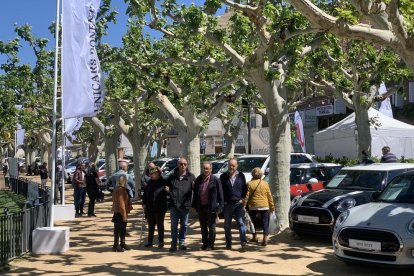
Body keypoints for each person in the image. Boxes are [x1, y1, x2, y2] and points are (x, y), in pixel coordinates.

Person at [192, 161, 223, 250]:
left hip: (212, 207)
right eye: (204, 168)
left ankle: (211, 245)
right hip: (201, 207)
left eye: (207, 168)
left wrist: (220, 207)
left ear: (211, 169)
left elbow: (220, 195)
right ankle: (205, 243)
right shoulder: (198, 179)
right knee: (203, 227)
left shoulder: (216, 180)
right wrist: (194, 205)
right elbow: (196, 194)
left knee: (212, 227)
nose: (205, 170)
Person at [165, 157, 195, 252]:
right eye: (181, 164)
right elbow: (166, 188)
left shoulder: (191, 177)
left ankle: (182, 242)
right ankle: (174, 243)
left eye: (184, 164)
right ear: (178, 165)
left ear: (187, 165)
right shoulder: (171, 176)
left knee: (184, 225)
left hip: (185, 205)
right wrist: (168, 191)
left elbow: (196, 190)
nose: (183, 166)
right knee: (174, 225)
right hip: (174, 205)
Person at [220, 158, 248, 250]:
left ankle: (243, 241)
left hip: (238, 204)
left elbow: (245, 188)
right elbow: (221, 190)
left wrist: (243, 199)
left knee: (241, 223)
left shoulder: (241, 176)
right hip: (227, 204)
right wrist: (222, 201)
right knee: (227, 225)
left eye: (233, 165)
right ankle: (228, 243)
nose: (231, 167)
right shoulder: (223, 176)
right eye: (230, 165)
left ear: (237, 166)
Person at [244, 167, 275, 246]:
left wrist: (244, 205)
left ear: (252, 174)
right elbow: (269, 196)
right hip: (265, 206)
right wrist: (272, 207)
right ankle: (265, 238)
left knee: (252, 222)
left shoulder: (249, 184)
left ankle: (254, 236)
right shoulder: (265, 183)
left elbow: (246, 196)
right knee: (265, 222)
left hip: (253, 206)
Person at [142, 166, 168, 248]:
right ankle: (150, 241)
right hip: (150, 207)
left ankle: (161, 242)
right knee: (151, 225)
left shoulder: (163, 182)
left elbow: (168, 194)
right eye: (151, 174)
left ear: (158, 174)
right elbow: (145, 194)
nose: (151, 175)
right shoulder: (149, 182)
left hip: (160, 208)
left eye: (153, 173)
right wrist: (144, 203)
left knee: (160, 225)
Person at [111, 175, 131, 252]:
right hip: (120, 212)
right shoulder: (120, 190)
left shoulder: (119, 189)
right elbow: (121, 203)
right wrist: (124, 215)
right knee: (118, 229)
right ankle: (116, 245)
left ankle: (122, 243)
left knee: (123, 229)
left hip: (119, 211)